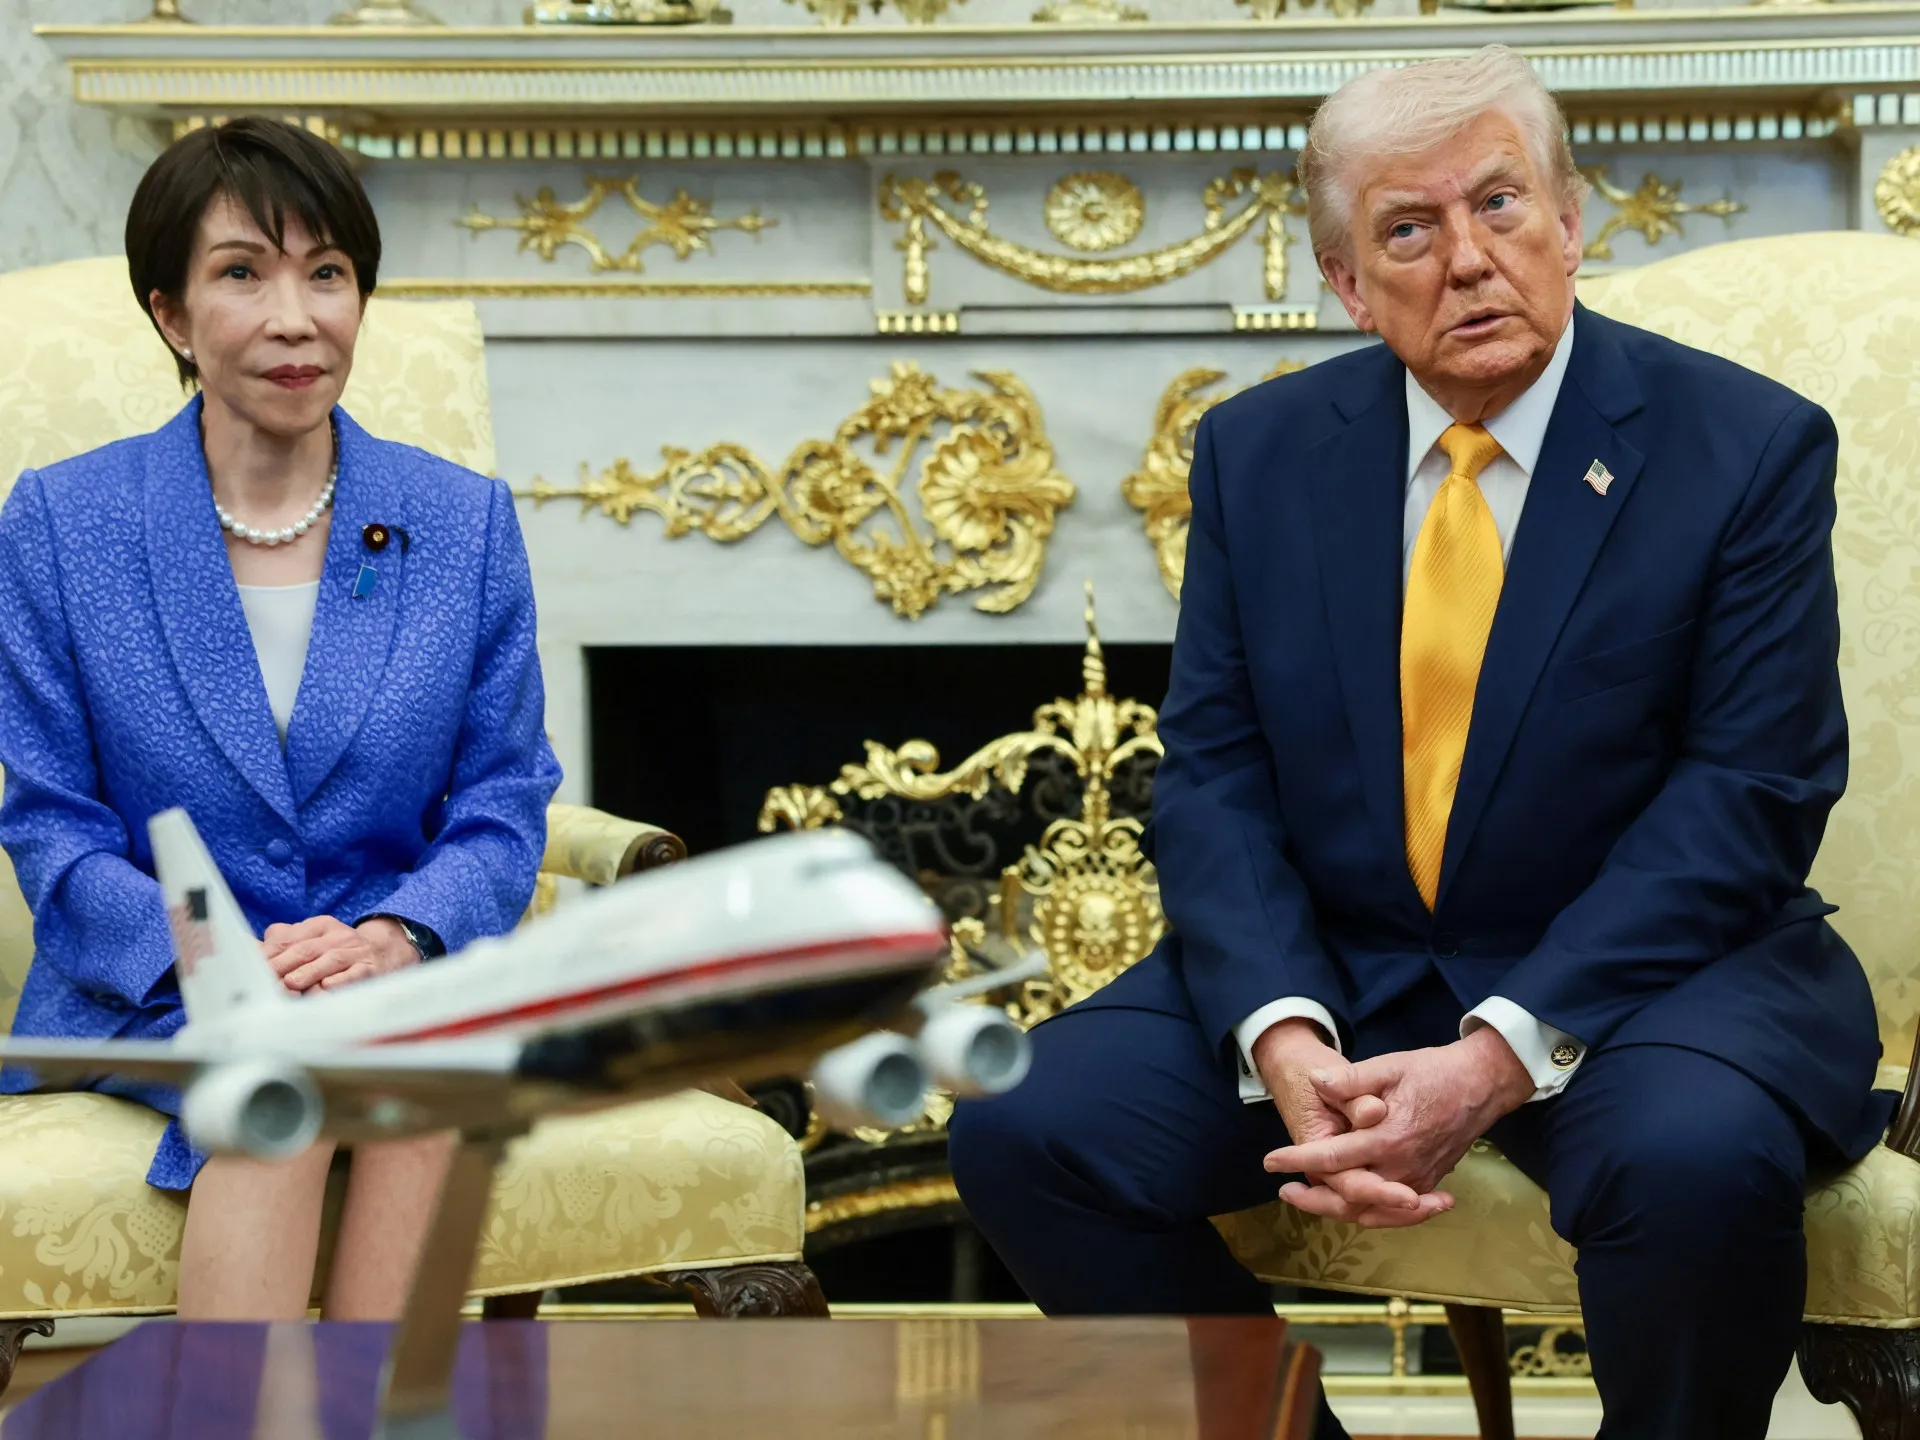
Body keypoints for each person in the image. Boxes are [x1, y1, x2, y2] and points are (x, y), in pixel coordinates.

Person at [949, 45, 1892, 1440]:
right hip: (1347, 957)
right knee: (1029, 1129)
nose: (1468, 259)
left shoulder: (1741, 448)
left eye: (1501, 206)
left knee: (1693, 1163)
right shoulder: (1260, 452)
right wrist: (1280, 1027)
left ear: (1571, 222)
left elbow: (1751, 792)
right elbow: (1215, 770)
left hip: (1655, 977)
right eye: (1409, 228)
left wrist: (1501, 1051)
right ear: (1344, 280)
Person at [0, 118, 561, 1320]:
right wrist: (219, 959)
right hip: (153, 980)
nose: (295, 316)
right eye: (243, 272)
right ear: (170, 313)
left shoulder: (457, 523)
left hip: (390, 972)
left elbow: (505, 800)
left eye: (328, 274)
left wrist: (396, 936)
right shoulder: (63, 522)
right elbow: (52, 825)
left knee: (400, 1074)